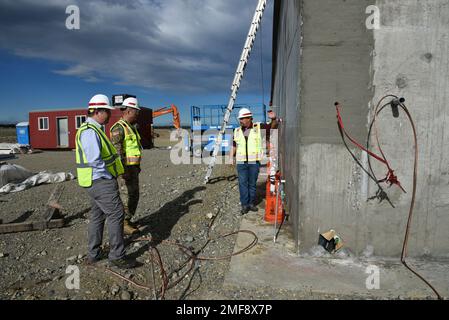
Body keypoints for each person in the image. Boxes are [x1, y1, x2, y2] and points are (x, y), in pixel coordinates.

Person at [75, 94, 137, 269]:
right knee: (117, 214)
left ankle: (94, 254)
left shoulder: (94, 130)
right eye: (107, 112)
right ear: (98, 112)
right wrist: (109, 176)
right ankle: (117, 255)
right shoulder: (89, 131)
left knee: (97, 215)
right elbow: (95, 160)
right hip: (100, 181)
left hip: (94, 181)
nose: (109, 115)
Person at [231, 108, 278, 215]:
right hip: (241, 162)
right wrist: (230, 157)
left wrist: (274, 119)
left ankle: (251, 203)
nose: (241, 120)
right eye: (240, 119)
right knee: (242, 183)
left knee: (252, 184)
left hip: (254, 162)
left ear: (249, 118)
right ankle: (244, 205)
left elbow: (273, 126)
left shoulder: (258, 127)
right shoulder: (237, 130)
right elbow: (233, 145)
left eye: (243, 118)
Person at [110, 97, 142, 235]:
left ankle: (128, 220)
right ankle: (123, 223)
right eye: (136, 111)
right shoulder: (119, 128)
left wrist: (136, 167)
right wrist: (123, 171)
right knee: (126, 196)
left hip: (133, 168)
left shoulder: (131, 127)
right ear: (129, 111)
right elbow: (117, 152)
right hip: (125, 170)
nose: (138, 114)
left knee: (134, 194)